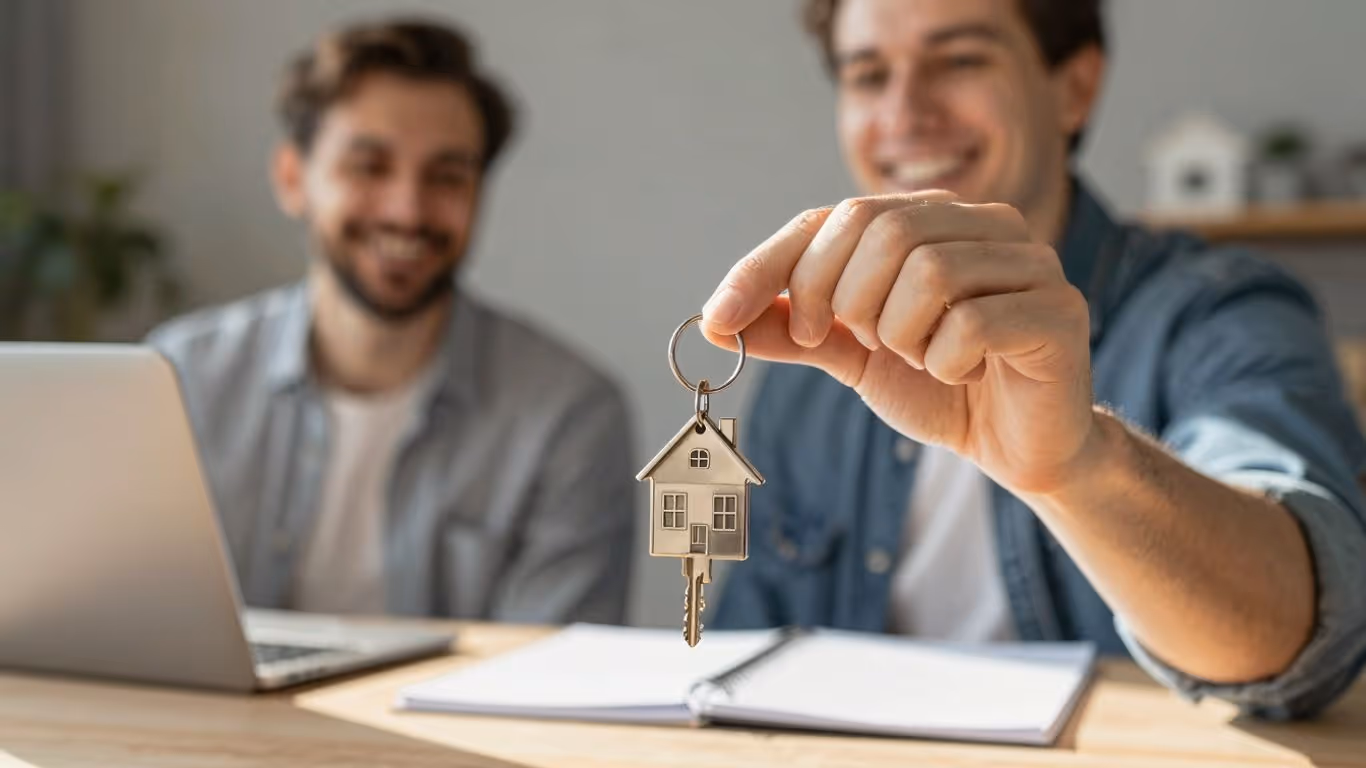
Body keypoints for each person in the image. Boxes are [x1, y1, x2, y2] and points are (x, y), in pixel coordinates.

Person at [705, 0, 1366, 718]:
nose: (905, 113)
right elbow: (744, 656)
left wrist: (1079, 466)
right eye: (868, 76)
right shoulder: (810, 366)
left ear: (1073, 88)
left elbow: (1291, 639)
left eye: (960, 60)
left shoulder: (1221, 313)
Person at [149, 19, 635, 624]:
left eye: (447, 176)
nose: (407, 210)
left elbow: (551, 684)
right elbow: (124, 620)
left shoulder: (569, 415)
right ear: (293, 179)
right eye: (370, 166)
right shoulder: (175, 380)